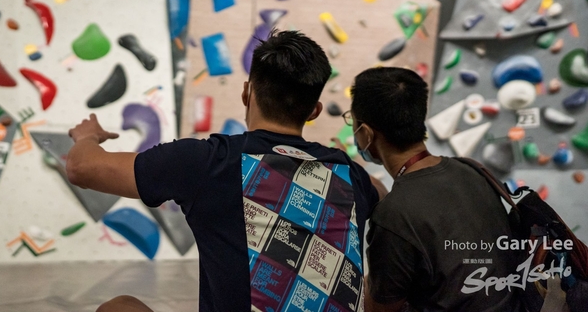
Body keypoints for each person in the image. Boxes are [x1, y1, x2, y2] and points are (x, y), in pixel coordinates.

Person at [67, 30, 386, 312]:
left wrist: (87, 137)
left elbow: (82, 167)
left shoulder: (207, 162)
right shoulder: (351, 175)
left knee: (118, 307)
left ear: (247, 93)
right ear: (314, 111)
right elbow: (385, 201)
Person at [348, 66, 527, 312]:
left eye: (353, 122)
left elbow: (378, 309)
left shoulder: (393, 216)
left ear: (366, 134)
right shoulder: (470, 170)